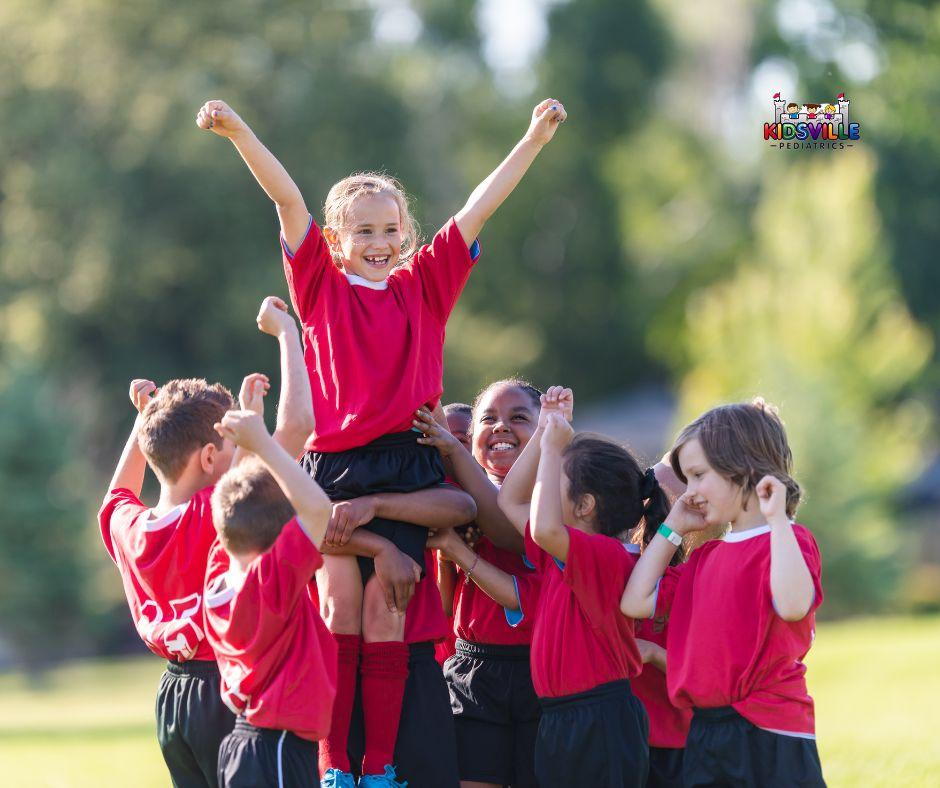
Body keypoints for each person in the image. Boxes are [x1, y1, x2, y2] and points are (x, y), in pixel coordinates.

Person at [197, 94, 566, 787]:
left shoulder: (426, 284)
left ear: (406, 233)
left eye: (390, 228)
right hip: (332, 466)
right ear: (336, 241)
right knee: (337, 602)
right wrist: (239, 130)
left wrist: (533, 141)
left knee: (383, 611)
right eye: (362, 231)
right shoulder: (320, 288)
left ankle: (379, 763)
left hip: (403, 462)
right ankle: (335, 763)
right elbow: (286, 199)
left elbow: (481, 206)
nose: (378, 242)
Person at [98, 297, 313, 786]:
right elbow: (297, 428)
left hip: (172, 699)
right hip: (226, 685)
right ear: (211, 459)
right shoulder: (218, 510)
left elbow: (117, 494)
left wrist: (143, 420)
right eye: (234, 445)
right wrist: (289, 336)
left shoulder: (127, 526)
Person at [621, 399, 825, 787]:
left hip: (771, 731)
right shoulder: (706, 558)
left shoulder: (789, 539)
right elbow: (635, 601)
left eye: (699, 475)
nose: (690, 491)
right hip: (707, 731)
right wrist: (673, 528)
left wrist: (778, 519)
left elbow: (795, 605)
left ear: (742, 467)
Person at [498, 387, 669, 787]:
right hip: (562, 716)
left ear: (585, 505)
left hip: (600, 717)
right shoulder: (562, 554)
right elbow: (510, 500)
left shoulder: (608, 558)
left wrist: (557, 447)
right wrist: (543, 433)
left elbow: (541, 525)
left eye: (555, 478)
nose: (544, 485)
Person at [414, 378, 545, 788]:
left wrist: (460, 551)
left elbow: (509, 533)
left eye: (518, 418)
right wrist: (445, 552)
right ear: (474, 441)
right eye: (489, 419)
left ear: (545, 432)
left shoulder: (554, 497)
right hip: (474, 668)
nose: (502, 427)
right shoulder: (454, 498)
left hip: (540, 671)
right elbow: (443, 608)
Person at [206, 409, 337, 787]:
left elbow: (232, 512)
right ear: (281, 541)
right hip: (277, 747)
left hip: (245, 744)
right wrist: (261, 442)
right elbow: (318, 509)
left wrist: (246, 451)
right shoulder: (269, 583)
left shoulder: (215, 580)